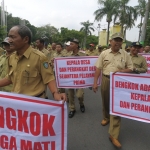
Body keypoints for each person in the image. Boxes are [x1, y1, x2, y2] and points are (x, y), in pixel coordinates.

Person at [0, 25, 66, 102]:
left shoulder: (40, 57)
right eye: (9, 37)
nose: (9, 40)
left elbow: (49, 78)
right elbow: (10, 78)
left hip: (34, 103)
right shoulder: (12, 57)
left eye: (13, 37)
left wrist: (55, 93)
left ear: (26, 39)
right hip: (16, 102)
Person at [93, 32, 133, 148]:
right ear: (110, 41)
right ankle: (106, 117)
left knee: (117, 107)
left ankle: (114, 135)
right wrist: (95, 82)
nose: (118, 42)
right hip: (106, 80)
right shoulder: (104, 54)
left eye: (120, 40)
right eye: (115, 40)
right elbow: (98, 68)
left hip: (119, 83)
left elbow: (130, 68)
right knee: (106, 102)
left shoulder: (125, 54)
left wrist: (121, 72)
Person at [68, 38, 86, 118]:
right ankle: (72, 109)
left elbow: (89, 64)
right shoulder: (68, 55)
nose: (70, 45)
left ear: (77, 45)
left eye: (72, 44)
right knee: (71, 95)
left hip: (80, 79)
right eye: (70, 44)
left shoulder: (83, 55)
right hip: (70, 79)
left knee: (79, 95)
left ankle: (81, 104)